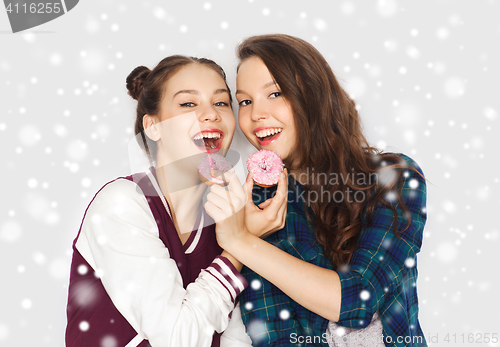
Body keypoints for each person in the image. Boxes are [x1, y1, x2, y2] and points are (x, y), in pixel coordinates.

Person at [205, 34, 427, 346]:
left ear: (313, 94)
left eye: (275, 93)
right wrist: (244, 237)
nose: (256, 114)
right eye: (245, 101)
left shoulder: (394, 177)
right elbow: (274, 336)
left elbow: (359, 301)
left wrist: (239, 240)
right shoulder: (261, 205)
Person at [65, 55, 252, 347]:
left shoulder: (227, 217)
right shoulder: (122, 205)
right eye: (188, 104)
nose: (211, 114)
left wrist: (240, 235)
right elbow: (176, 339)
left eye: (221, 103)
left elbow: (237, 339)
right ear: (153, 127)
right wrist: (238, 250)